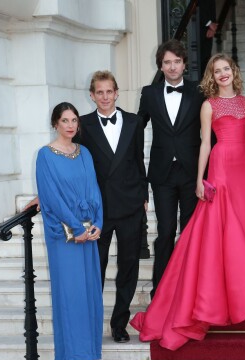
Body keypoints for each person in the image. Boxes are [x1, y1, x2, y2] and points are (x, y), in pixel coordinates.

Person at [130, 53, 245, 350]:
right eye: (216, 70)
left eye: (226, 69)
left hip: (243, 172)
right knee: (220, 232)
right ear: (212, 75)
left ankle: (241, 292)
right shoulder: (208, 105)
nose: (222, 74)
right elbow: (205, 144)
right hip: (221, 168)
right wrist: (201, 179)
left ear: (233, 72)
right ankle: (215, 299)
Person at [79, 71, 148, 343]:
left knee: (128, 266)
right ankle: (92, 322)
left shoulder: (134, 122)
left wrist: (143, 195)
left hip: (130, 204)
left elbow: (139, 160)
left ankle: (119, 323)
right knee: (96, 266)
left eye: (109, 92)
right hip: (99, 208)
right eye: (100, 92)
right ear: (92, 95)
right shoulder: (83, 125)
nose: (105, 97)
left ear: (116, 93)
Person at [35, 102, 103, 360]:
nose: (71, 125)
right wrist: (77, 228)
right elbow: (51, 197)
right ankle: (71, 358)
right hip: (66, 237)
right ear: (55, 123)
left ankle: (85, 354)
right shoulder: (45, 155)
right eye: (65, 120)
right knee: (70, 293)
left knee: (88, 293)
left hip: (88, 233)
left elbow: (94, 188)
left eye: (74, 120)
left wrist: (97, 222)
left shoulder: (84, 152)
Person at [137, 39, 206, 299]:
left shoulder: (199, 91)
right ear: (161, 66)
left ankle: (189, 288)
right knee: (165, 230)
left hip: (191, 172)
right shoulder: (150, 93)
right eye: (167, 62)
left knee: (189, 231)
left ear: (184, 64)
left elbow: (212, 130)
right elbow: (136, 130)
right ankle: (162, 290)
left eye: (177, 61)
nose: (173, 66)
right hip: (162, 173)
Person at [198, 0, 217, 75]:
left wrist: (213, 27)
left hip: (208, 30)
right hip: (199, 29)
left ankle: (205, 83)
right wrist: (209, 24)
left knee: (206, 58)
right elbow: (199, 6)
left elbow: (211, 8)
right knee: (201, 59)